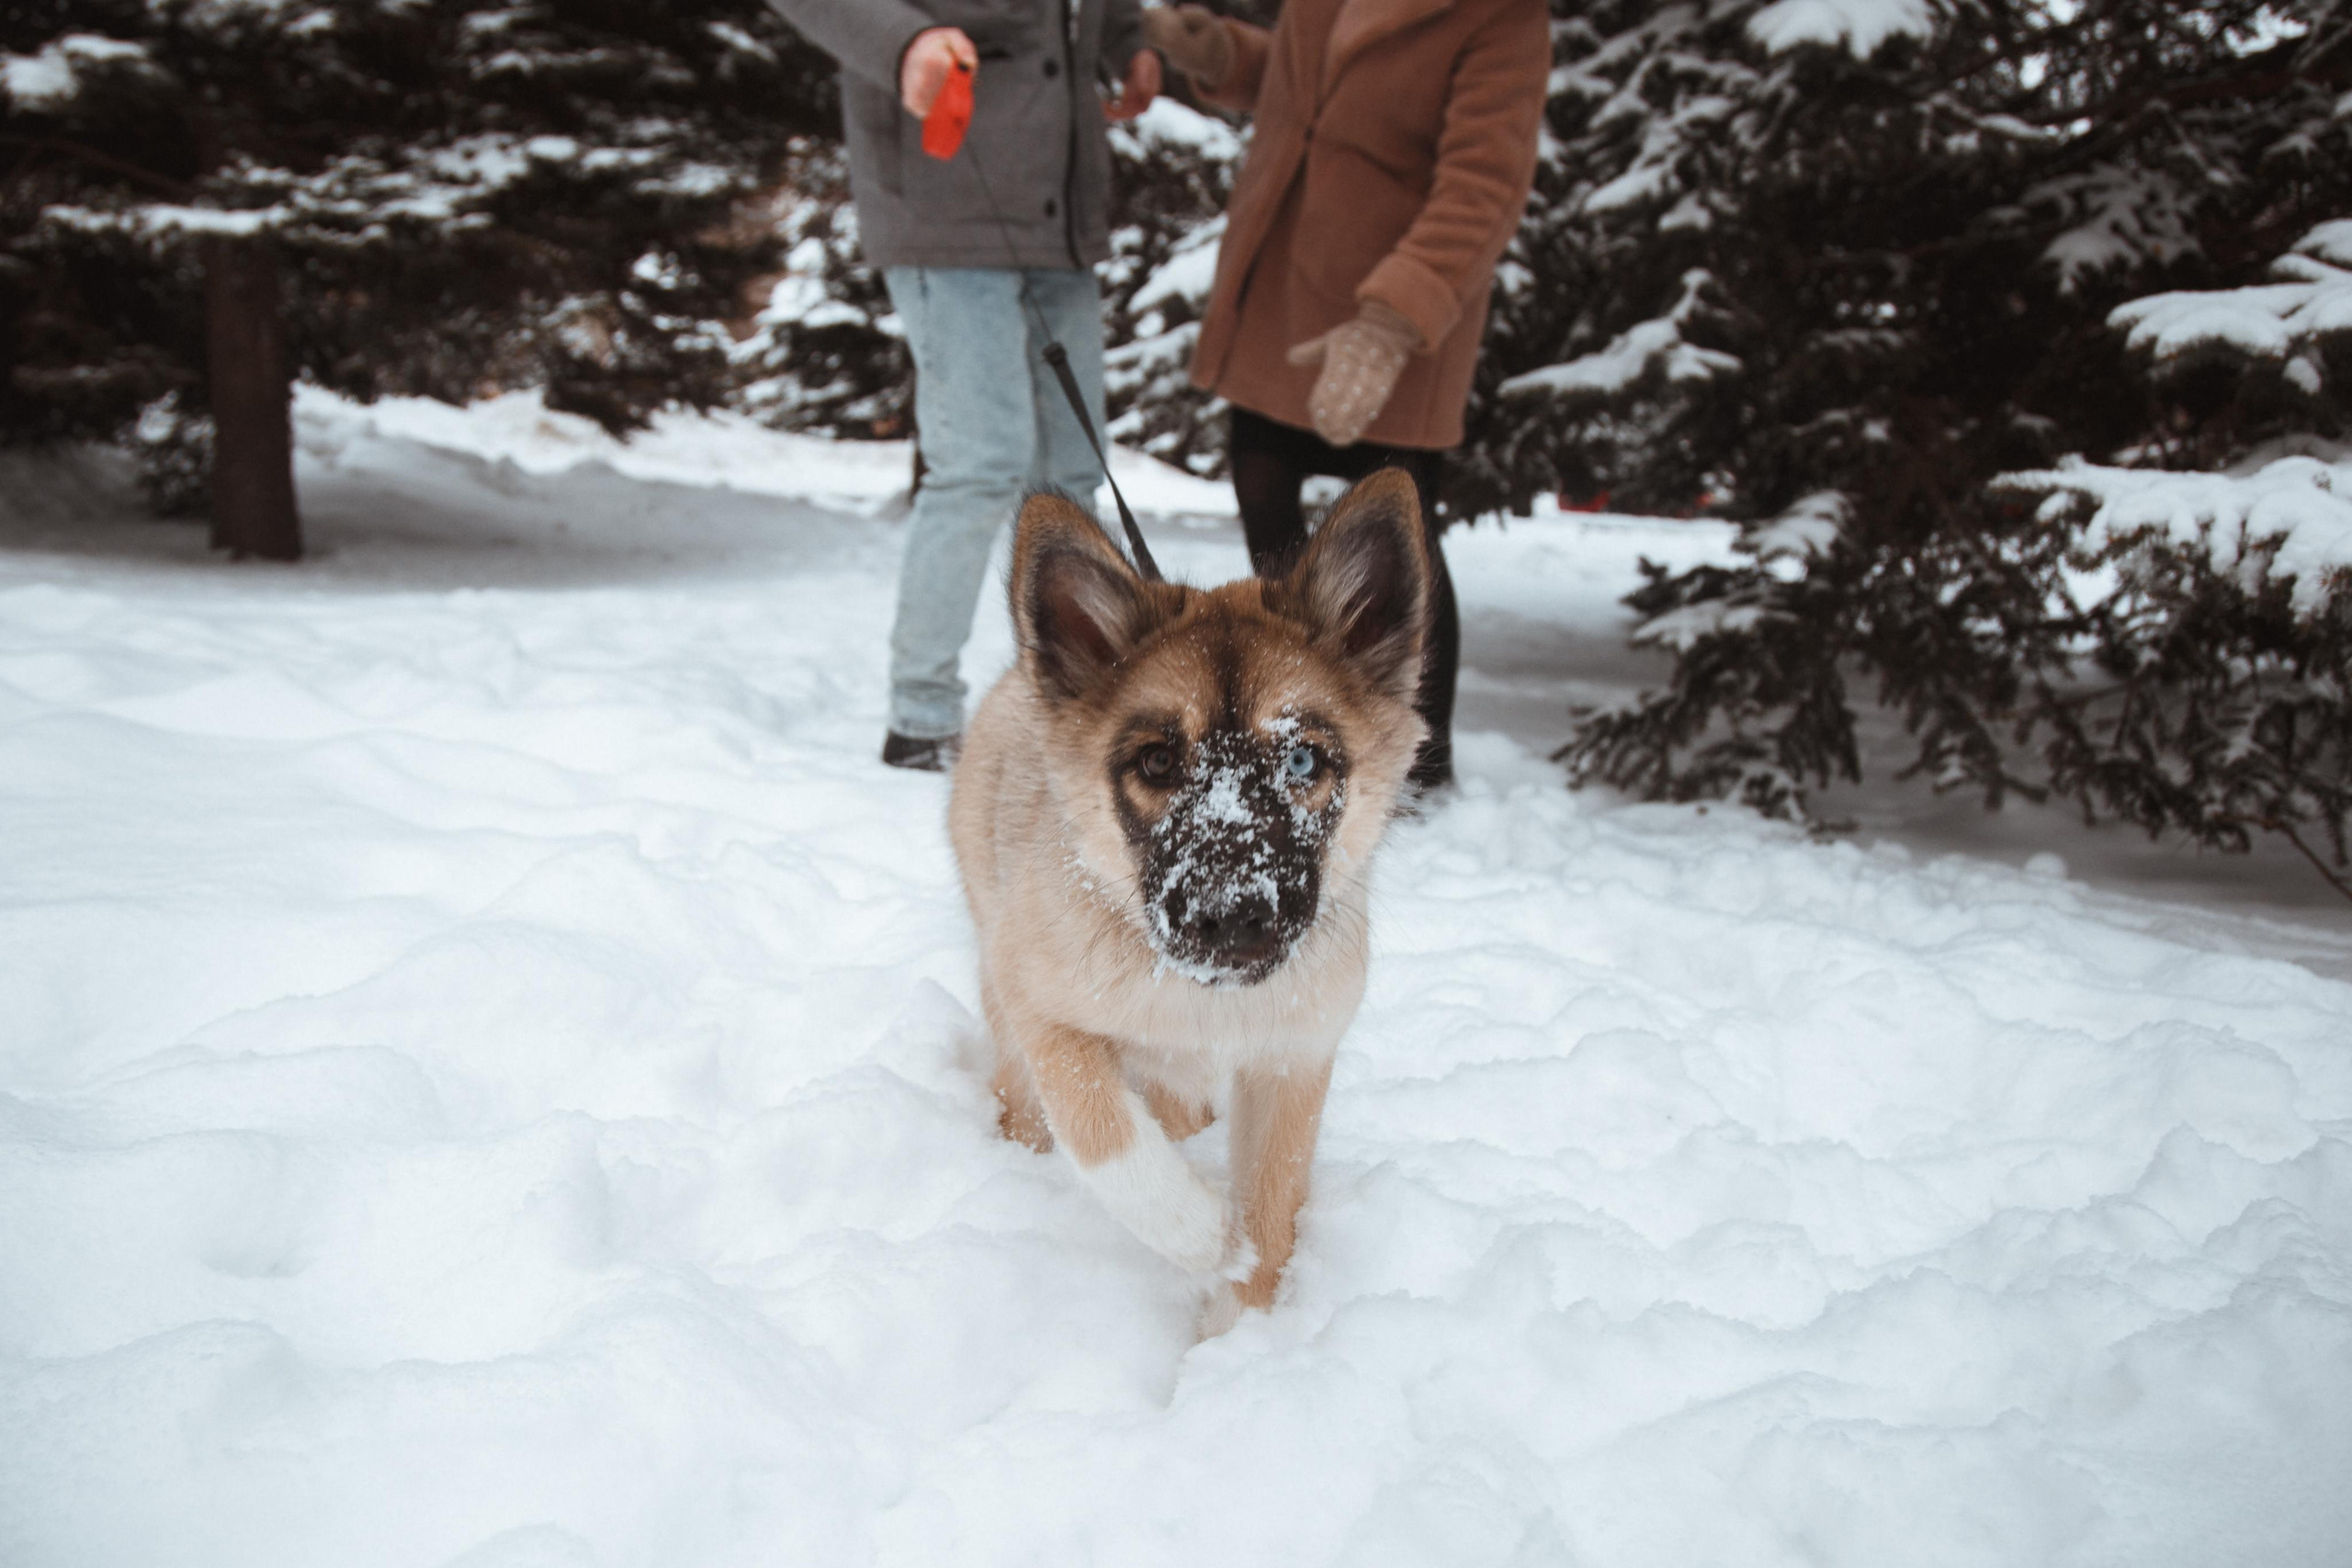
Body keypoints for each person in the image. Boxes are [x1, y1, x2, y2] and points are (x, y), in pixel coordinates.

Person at [1143, 0, 1548, 792]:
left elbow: (1486, 180)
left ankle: (1420, 766)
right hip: (1285, 284)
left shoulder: (1504, 17)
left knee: (1400, 532)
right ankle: (1286, 704)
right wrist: (1225, 53)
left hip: (1389, 300)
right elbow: (1309, 81)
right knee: (1262, 485)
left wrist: (1395, 317)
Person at [766, 0, 1162, 770]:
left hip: (1061, 216)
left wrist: (1127, 43)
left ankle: (1070, 702)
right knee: (982, 461)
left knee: (1071, 478)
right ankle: (923, 716)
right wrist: (904, 40)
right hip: (943, 201)